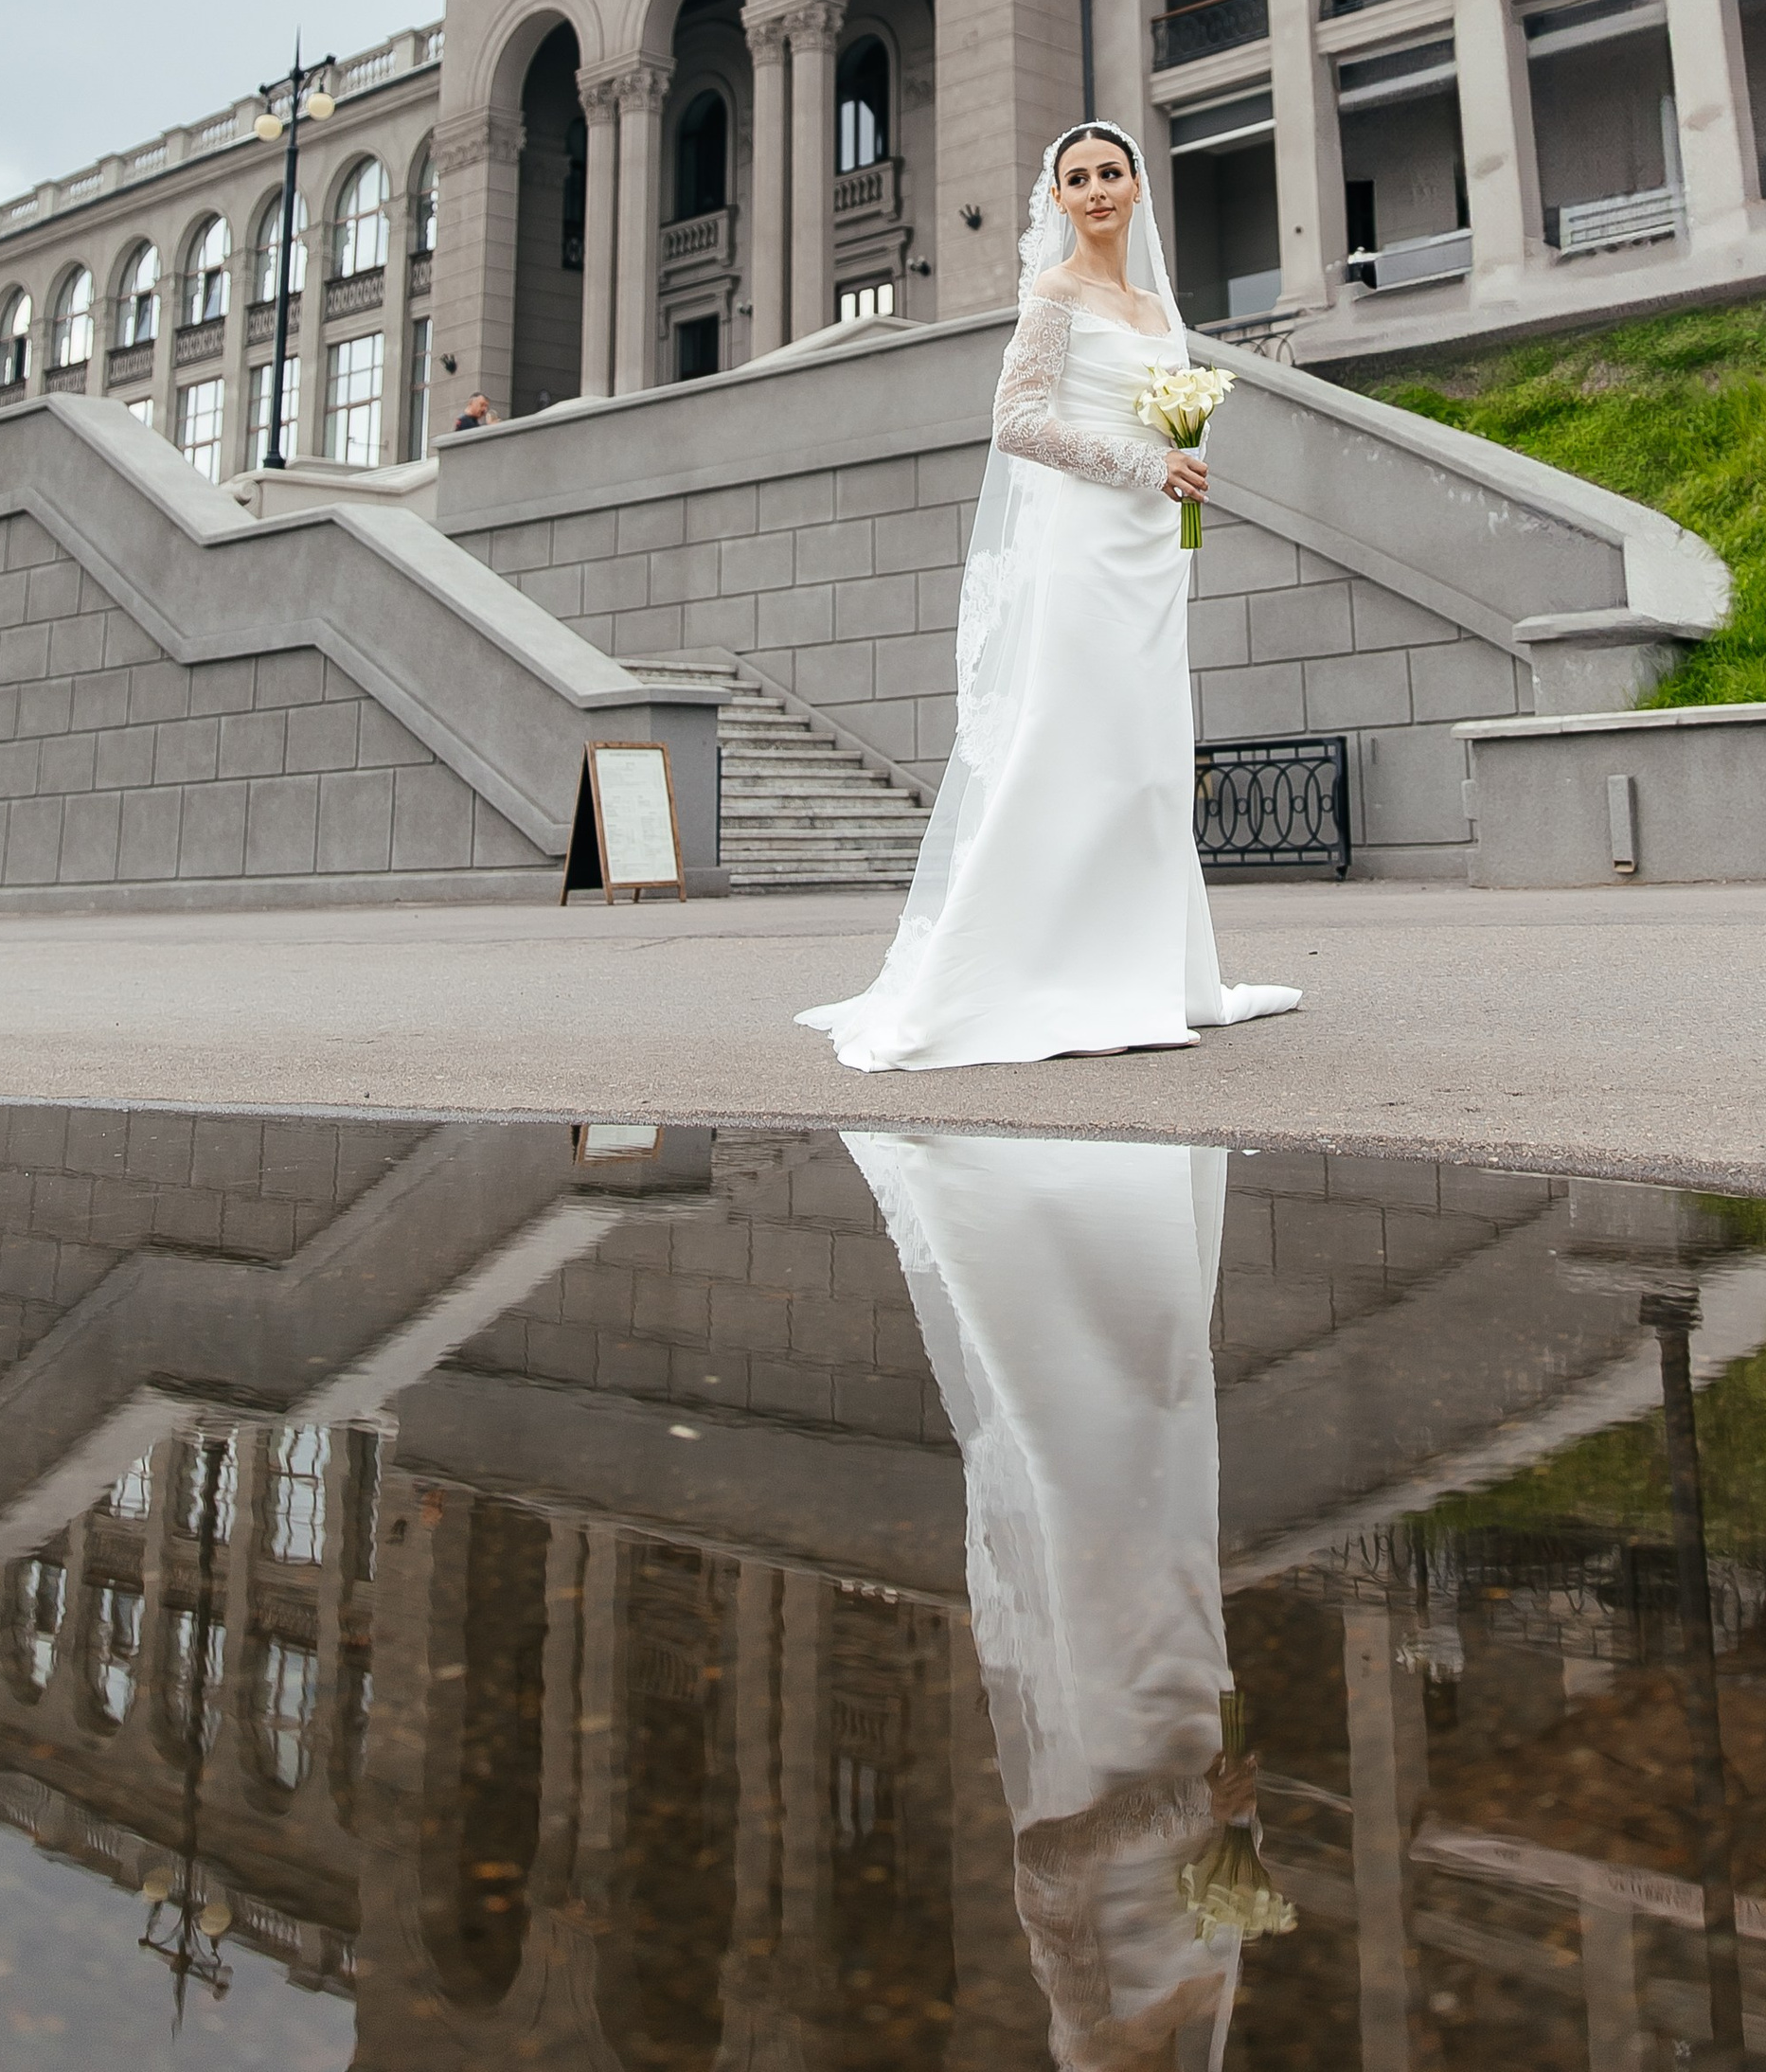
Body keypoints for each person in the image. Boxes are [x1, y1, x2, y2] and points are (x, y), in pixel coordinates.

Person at [798, 120, 1300, 1071]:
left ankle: (1160, 975)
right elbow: (1017, 424)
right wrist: (1142, 466)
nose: (1099, 189)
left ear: (1139, 187)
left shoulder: (1157, 309)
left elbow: (1176, 415)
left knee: (1148, 758)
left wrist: (1184, 467)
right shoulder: (1053, 296)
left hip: (1153, 556)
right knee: (1073, 742)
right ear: (1059, 199)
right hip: (1084, 551)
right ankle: (1027, 973)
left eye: (1113, 172)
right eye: (1079, 178)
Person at [849, 1129, 1262, 2071]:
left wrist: (1185, 1810)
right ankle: (1122, 1225)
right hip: (1192, 1693)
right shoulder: (1199, 2013)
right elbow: (1212, 1866)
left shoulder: (1091, 2036)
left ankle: (1023, 1231)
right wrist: (1226, 1793)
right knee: (1163, 1428)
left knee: (1091, 1466)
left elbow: (1043, 1868)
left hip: (1109, 1697)